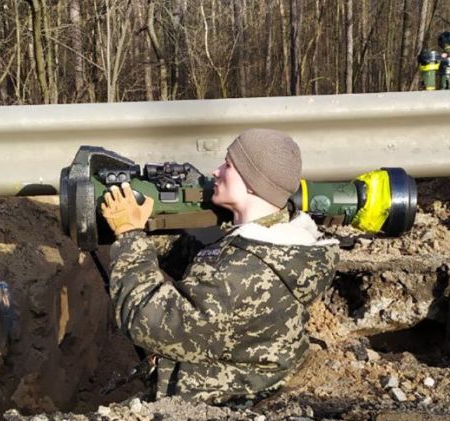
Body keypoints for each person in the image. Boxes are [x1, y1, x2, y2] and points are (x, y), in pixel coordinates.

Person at [99, 129, 339, 404]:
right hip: (249, 375)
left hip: (222, 400)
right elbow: (207, 263)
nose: (216, 171)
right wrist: (153, 230)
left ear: (252, 183)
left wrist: (129, 236)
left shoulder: (244, 273)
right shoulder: (273, 243)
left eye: (228, 165)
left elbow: (148, 321)